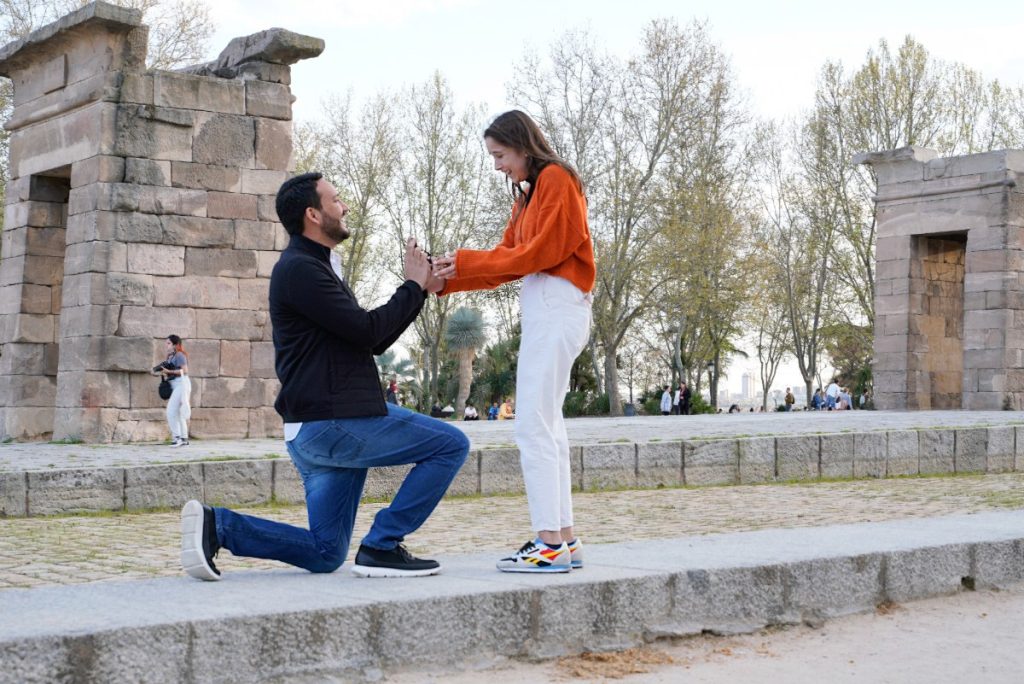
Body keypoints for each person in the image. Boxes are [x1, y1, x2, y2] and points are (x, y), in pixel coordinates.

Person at [179, 171, 469, 582]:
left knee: (325, 552)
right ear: (313, 215)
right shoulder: (300, 269)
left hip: (314, 429)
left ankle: (219, 526)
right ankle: (383, 545)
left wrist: (420, 289)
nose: (345, 206)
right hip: (333, 423)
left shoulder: (313, 267)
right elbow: (370, 333)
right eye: (336, 200)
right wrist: (412, 283)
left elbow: (370, 336)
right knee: (450, 444)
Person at [432, 110, 594, 573]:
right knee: (548, 425)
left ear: (523, 146)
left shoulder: (558, 180)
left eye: (500, 155)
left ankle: (548, 545)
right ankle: (562, 540)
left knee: (531, 426)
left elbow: (537, 255)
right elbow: (508, 259)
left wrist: (461, 264)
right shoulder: (529, 195)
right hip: (547, 304)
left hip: (557, 303)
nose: (497, 165)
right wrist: (449, 277)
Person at [154, 334, 191, 447]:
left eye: (169, 343)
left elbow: (184, 371)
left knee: (171, 411)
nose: (167, 345)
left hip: (181, 384)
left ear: (175, 345)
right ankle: (184, 439)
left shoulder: (179, 355)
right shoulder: (171, 356)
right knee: (179, 413)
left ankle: (177, 438)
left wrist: (168, 372)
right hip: (175, 384)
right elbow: (170, 369)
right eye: (166, 343)